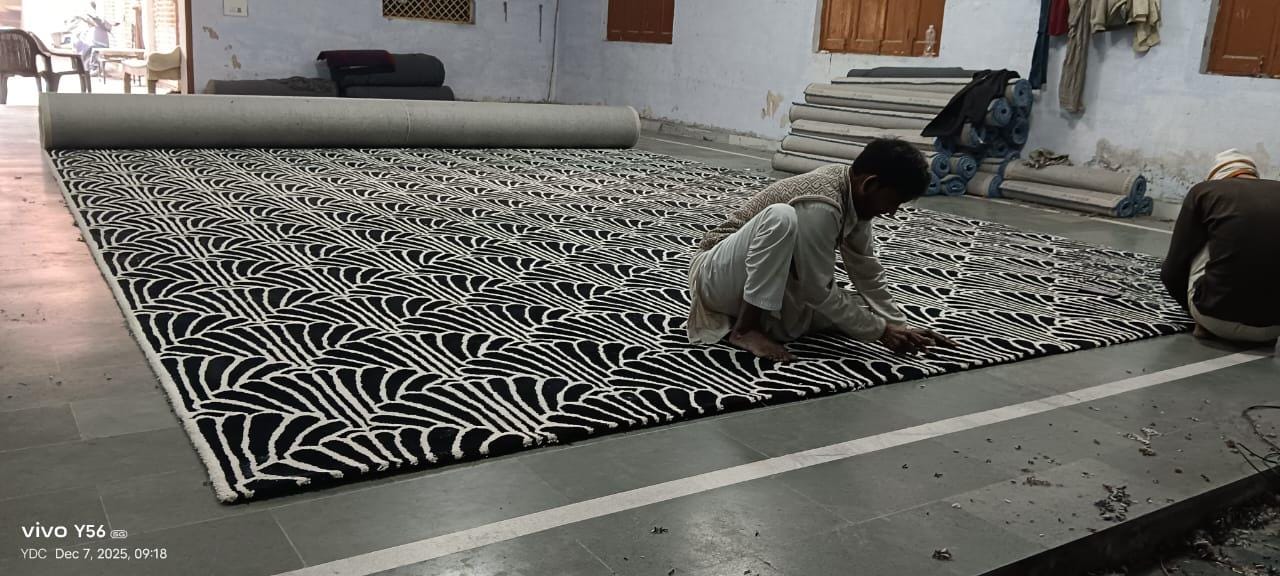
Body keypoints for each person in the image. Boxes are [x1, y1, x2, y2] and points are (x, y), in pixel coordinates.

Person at [686, 138, 957, 361]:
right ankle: (746, 329)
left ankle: (758, 320)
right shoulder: (822, 205)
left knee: (864, 309)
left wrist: (898, 326)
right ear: (870, 184)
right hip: (714, 275)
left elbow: (867, 271)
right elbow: (817, 290)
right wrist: (881, 332)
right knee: (781, 217)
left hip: (761, 286)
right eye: (893, 201)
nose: (892, 212)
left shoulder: (855, 196)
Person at [1160, 149, 1280, 344]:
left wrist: (1195, 314)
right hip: (1274, 328)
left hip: (1214, 319)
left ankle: (1206, 321)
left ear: (1216, 177)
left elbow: (1171, 272)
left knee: (1206, 239)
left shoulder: (1205, 191)